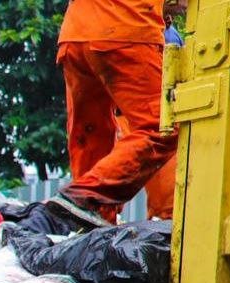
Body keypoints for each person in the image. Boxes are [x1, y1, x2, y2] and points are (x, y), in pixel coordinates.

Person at [47, 0, 184, 226]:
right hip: (125, 28)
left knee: (92, 137)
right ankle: (87, 197)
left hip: (75, 34)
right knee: (164, 126)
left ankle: (93, 221)